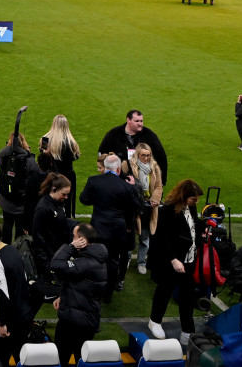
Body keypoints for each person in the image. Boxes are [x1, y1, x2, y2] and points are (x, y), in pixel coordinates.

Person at [146, 179, 204, 340]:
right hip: (169, 261)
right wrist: (173, 259)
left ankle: (187, 330)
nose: (196, 202)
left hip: (189, 259)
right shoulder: (167, 210)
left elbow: (192, 227)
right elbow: (161, 237)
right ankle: (155, 321)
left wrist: (202, 231)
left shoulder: (191, 207)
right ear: (184, 196)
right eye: (194, 198)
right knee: (164, 291)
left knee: (187, 296)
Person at [79, 153, 142, 300]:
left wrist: (98, 201)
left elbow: (84, 199)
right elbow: (137, 206)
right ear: (118, 169)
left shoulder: (94, 180)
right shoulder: (126, 186)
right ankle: (108, 295)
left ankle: (93, 289)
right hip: (117, 230)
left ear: (105, 167)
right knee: (113, 261)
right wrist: (133, 188)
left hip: (98, 227)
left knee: (94, 257)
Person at [0, 219, 38, 366]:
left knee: (1, 358)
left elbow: (3, 296)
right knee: (22, 358)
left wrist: (3, 323)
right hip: (26, 313)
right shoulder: (12, 250)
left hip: (12, 318)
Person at [50, 223, 108, 365]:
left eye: (74, 237)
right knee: (81, 360)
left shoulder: (86, 263)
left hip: (74, 322)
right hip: (85, 319)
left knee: (60, 358)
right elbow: (81, 285)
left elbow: (56, 264)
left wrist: (70, 247)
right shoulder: (95, 258)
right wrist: (62, 296)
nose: (72, 239)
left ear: (81, 240)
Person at [0, 106, 42, 239]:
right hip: (21, 199)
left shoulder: (3, 154)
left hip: (6, 196)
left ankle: (4, 249)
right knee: (20, 226)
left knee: (7, 224)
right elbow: (34, 173)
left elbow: (0, 164)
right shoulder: (28, 158)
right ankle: (17, 251)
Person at [97, 110, 169, 186]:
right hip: (119, 180)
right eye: (137, 121)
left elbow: (161, 157)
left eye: (141, 121)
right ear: (128, 120)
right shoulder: (113, 134)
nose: (140, 124)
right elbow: (102, 154)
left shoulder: (149, 135)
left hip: (143, 181)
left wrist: (162, 181)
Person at [31, 173, 74, 281]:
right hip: (49, 258)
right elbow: (38, 238)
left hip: (56, 252)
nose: (66, 197)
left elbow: (60, 223)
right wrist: (46, 263)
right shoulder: (43, 209)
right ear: (54, 189)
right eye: (64, 194)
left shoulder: (57, 203)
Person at [127, 143, 162, 275]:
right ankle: (127, 259)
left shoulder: (155, 167)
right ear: (137, 155)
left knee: (145, 236)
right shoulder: (130, 166)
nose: (146, 158)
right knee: (130, 234)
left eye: (148, 155)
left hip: (149, 206)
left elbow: (159, 186)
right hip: (134, 205)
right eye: (143, 155)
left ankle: (141, 262)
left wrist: (155, 199)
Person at [39, 114, 82, 217]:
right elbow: (76, 157)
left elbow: (43, 157)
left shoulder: (45, 139)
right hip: (67, 175)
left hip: (51, 176)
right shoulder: (71, 142)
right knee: (66, 201)